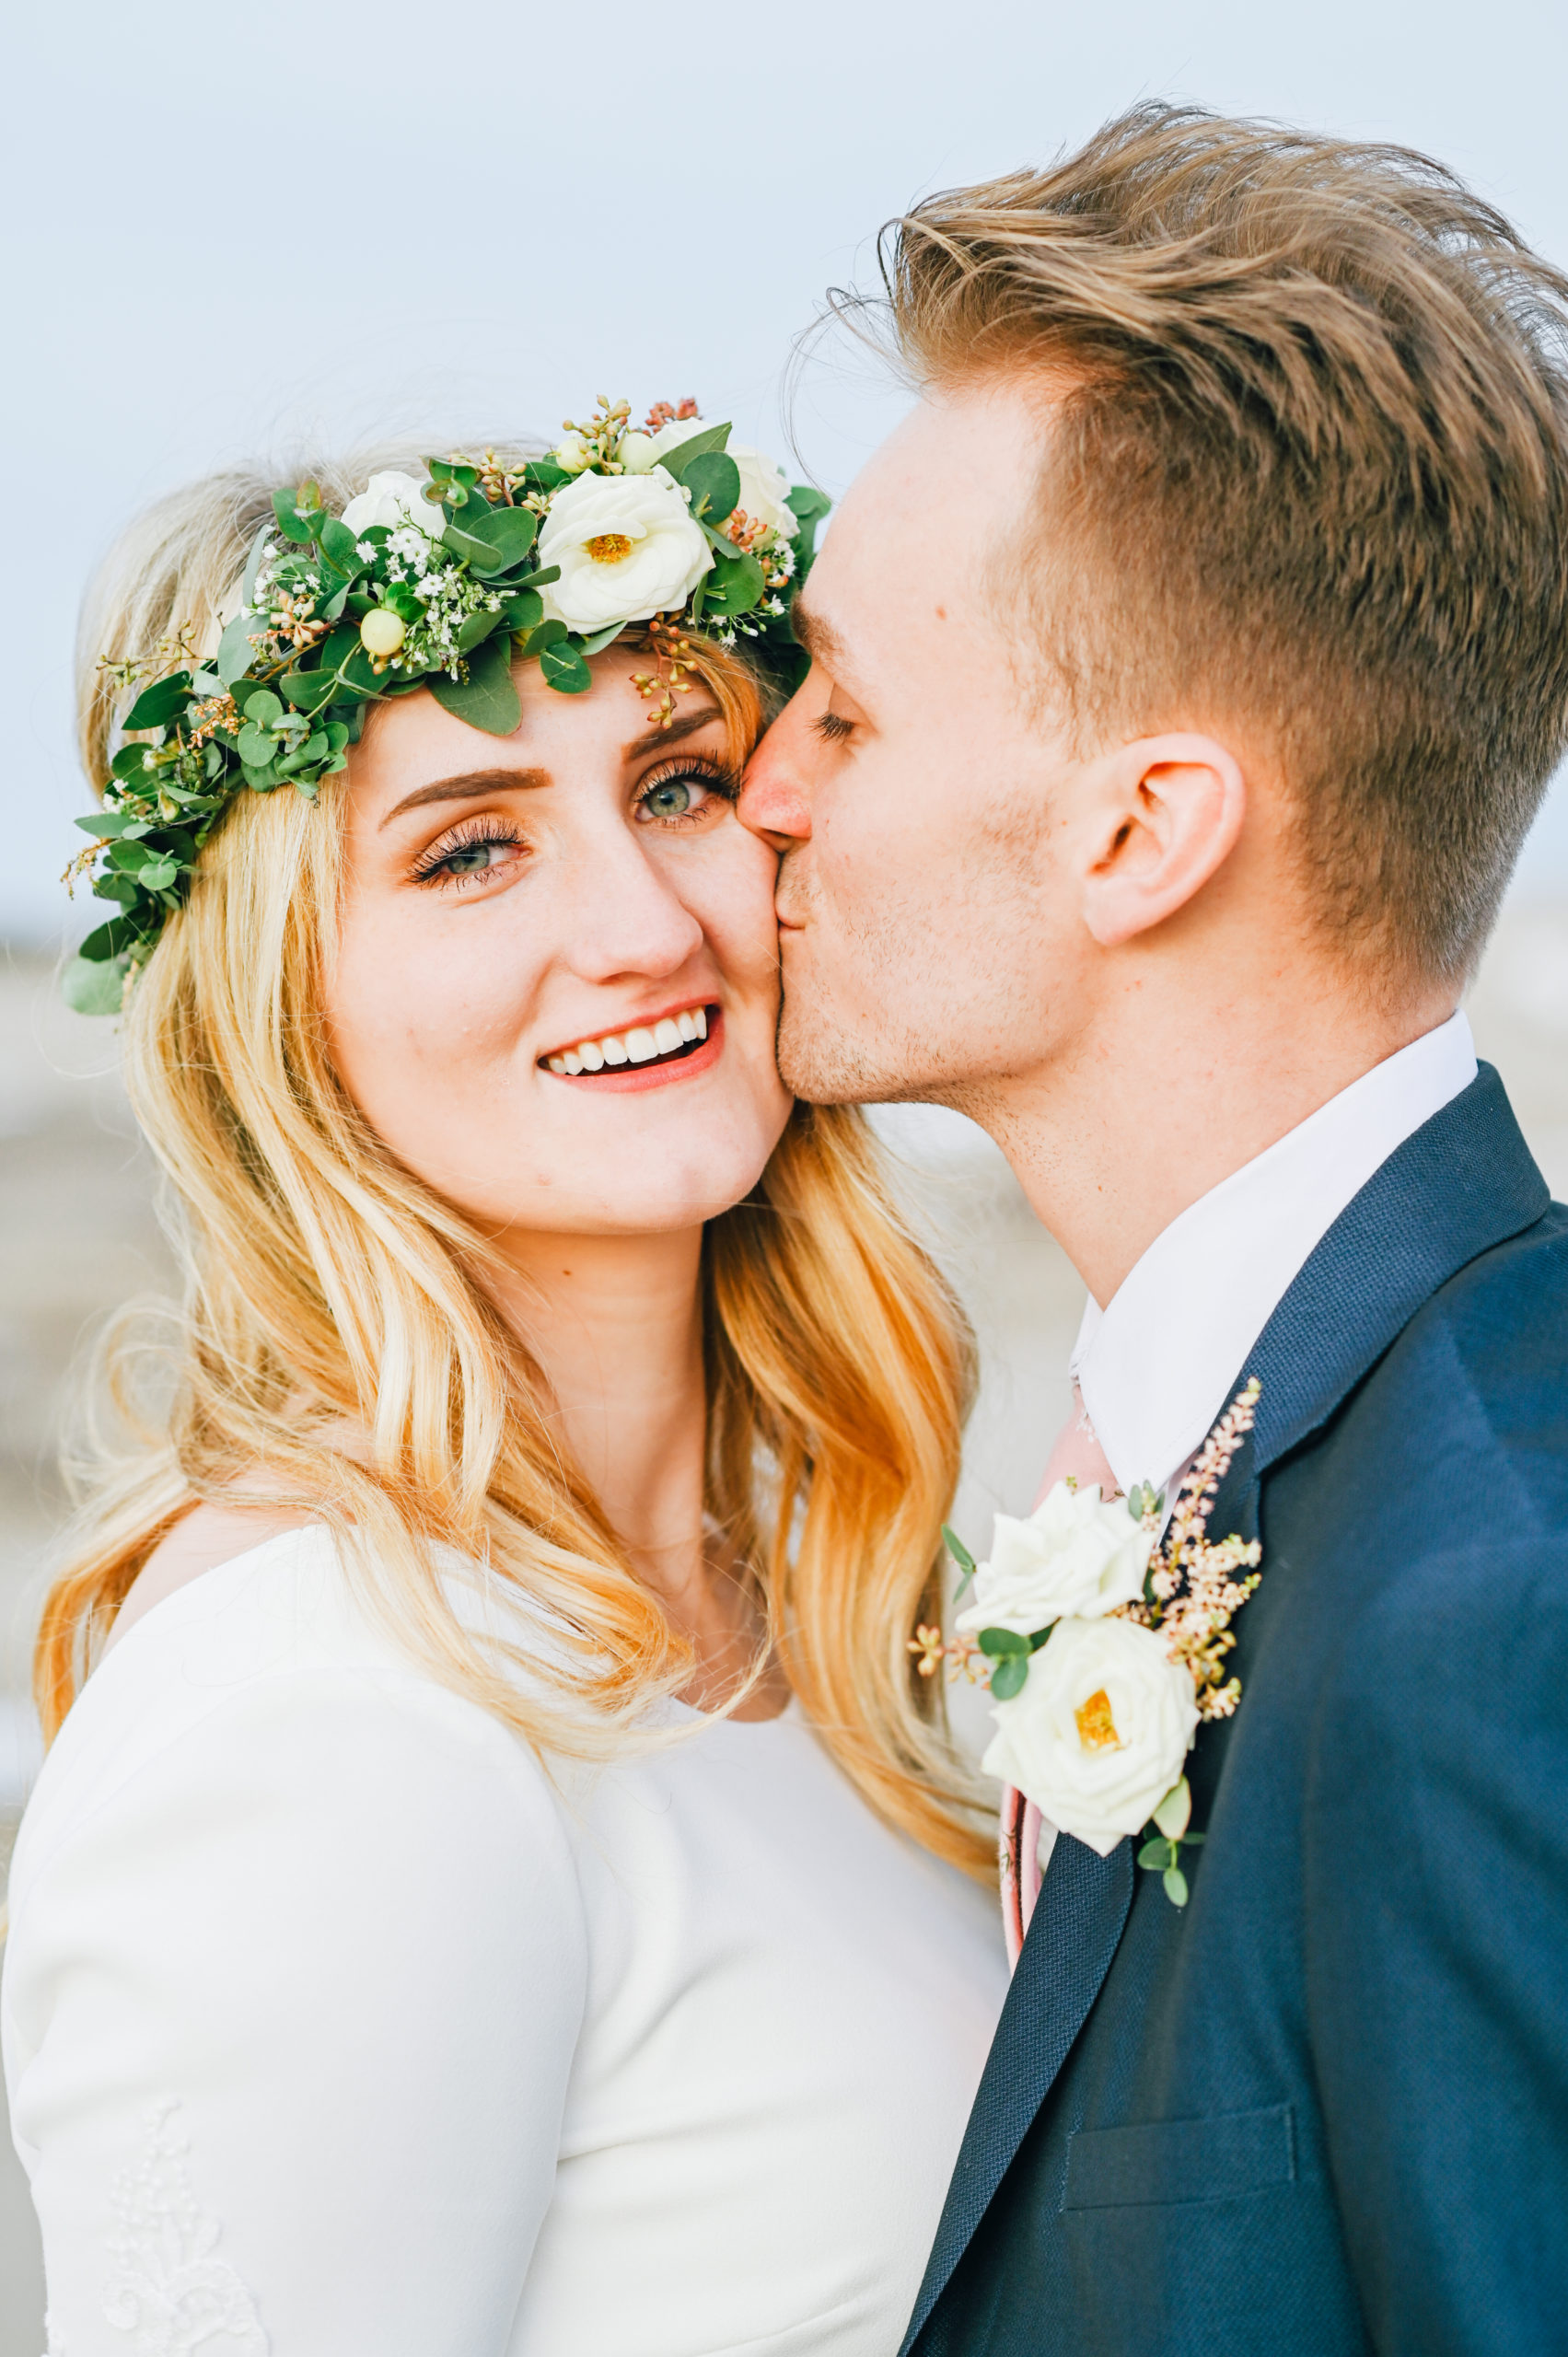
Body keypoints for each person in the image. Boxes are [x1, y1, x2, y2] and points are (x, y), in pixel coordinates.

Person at [1, 417, 1007, 2355]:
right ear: (280, 984)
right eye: (471, 848)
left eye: (682, 782)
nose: (643, 928)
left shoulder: (811, 1591)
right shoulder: (323, 1716)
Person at [740, 105, 1568, 2355]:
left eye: (846, 700)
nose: (766, 783)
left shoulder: (1501, 1595)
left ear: (1141, 834)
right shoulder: (1273, 1451)